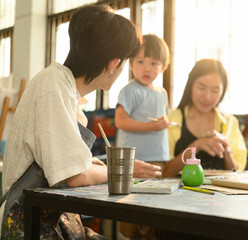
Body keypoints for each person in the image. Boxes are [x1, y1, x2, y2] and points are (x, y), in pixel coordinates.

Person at [0, 4, 161, 239]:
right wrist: (122, 171)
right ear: (114, 63)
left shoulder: (67, 91)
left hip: (56, 220)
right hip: (28, 226)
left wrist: (107, 167)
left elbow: (76, 165)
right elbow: (74, 175)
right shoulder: (52, 87)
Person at [163, 58, 247, 177]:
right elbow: (164, 173)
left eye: (215, 90)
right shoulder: (170, 120)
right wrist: (195, 146)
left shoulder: (230, 122)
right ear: (190, 86)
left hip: (219, 195)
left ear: (222, 92)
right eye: (201, 88)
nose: (207, 97)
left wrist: (226, 150)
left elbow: (237, 174)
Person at [115, 34, 171, 171]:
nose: (147, 68)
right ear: (131, 63)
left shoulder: (162, 92)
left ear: (163, 67)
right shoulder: (130, 90)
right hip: (133, 158)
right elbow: (120, 121)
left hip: (159, 157)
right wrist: (150, 126)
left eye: (154, 63)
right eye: (140, 62)